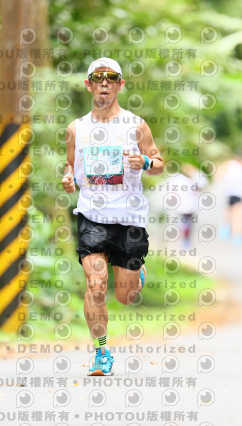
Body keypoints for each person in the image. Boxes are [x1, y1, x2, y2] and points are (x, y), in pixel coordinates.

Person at [61, 57, 164, 376]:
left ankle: (136, 273)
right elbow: (70, 165)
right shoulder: (76, 129)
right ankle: (101, 353)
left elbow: (159, 163)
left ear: (120, 85)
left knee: (126, 296)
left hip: (129, 218)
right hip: (92, 215)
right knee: (95, 284)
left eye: (111, 78)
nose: (104, 83)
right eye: (97, 78)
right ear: (88, 85)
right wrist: (68, 178)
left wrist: (144, 163)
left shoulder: (136, 125)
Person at [218, 151, 242, 246]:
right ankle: (237, 235)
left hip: (233, 194)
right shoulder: (236, 166)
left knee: (230, 214)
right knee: (239, 216)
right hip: (236, 195)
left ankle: (227, 231)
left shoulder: (238, 167)